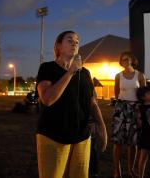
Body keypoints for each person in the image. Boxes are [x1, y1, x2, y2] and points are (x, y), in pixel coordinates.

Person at [36, 30, 107, 178]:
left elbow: (92, 103)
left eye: (77, 41)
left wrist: (102, 126)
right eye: (70, 40)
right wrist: (69, 73)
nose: (74, 43)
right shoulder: (47, 68)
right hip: (53, 136)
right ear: (58, 46)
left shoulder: (86, 73)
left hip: (81, 137)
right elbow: (47, 99)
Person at [112, 51, 146, 178]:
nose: (125, 61)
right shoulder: (118, 76)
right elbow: (116, 93)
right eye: (122, 60)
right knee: (117, 141)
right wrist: (121, 106)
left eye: (127, 59)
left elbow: (144, 93)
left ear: (132, 60)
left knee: (133, 142)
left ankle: (130, 170)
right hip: (121, 108)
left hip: (135, 109)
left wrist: (139, 109)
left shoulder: (140, 75)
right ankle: (117, 171)